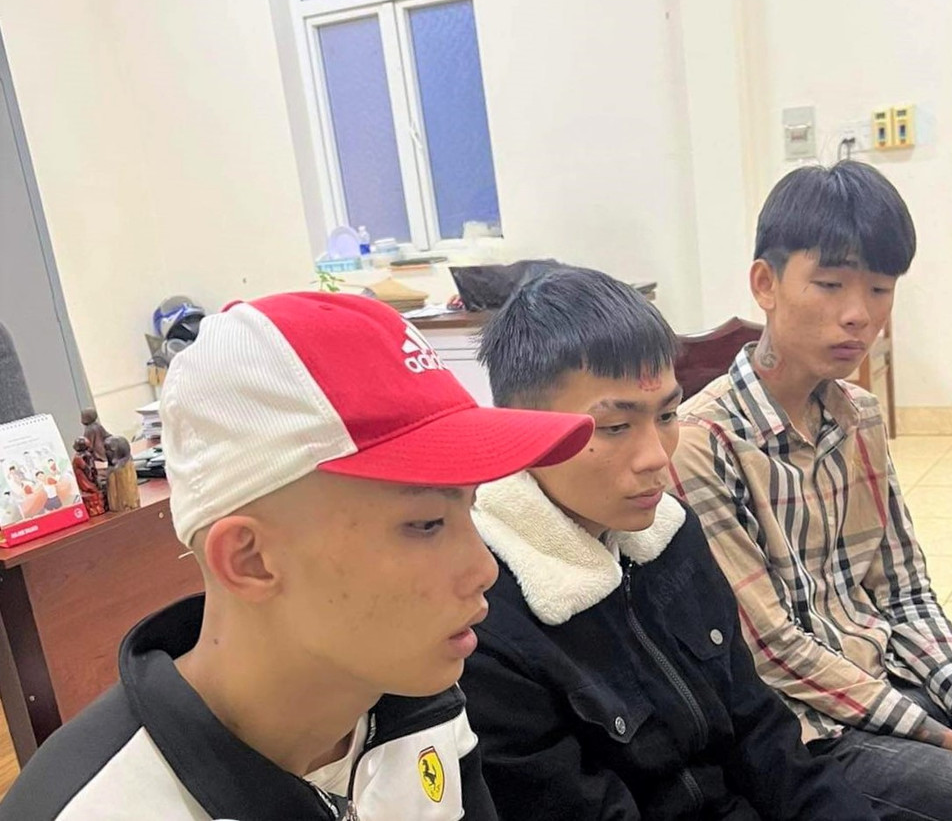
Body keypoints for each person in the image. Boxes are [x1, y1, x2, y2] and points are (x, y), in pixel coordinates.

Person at [0, 292, 593, 820]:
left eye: (471, 507)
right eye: (426, 523)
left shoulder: (419, 704)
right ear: (250, 559)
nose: (484, 569)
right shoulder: (100, 806)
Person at [671, 162, 952, 821]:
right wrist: (948, 738)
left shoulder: (860, 415)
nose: (859, 316)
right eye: (830, 285)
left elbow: (904, 590)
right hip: (809, 727)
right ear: (765, 284)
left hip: (892, 673)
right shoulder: (703, 442)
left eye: (880, 289)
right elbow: (773, 651)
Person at [460, 264, 878, 820]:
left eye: (667, 415)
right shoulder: (484, 619)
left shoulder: (669, 534)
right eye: (614, 427)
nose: (657, 456)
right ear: (520, 429)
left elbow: (761, 731)